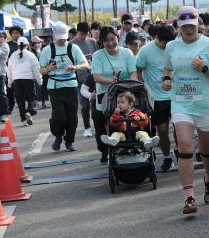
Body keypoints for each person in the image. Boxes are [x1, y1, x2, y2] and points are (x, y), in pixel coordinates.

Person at [162, 6, 209, 213]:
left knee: (206, 149)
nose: (188, 29)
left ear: (198, 24)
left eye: (191, 25)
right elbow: (168, 67)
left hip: (205, 103)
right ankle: (189, 197)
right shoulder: (172, 46)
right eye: (184, 26)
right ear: (179, 27)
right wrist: (166, 80)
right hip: (181, 102)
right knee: (185, 147)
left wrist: (205, 69)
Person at [38, 24, 89, 152]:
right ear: (54, 36)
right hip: (54, 87)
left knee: (72, 117)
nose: (62, 40)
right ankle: (58, 136)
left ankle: (69, 142)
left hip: (71, 85)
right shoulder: (47, 50)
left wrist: (75, 67)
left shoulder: (73, 47)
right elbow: (41, 70)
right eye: (59, 38)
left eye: (64, 38)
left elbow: (85, 64)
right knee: (59, 116)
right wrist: (49, 68)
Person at [91, 26, 138, 164]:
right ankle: (105, 150)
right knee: (102, 122)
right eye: (106, 40)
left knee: (128, 119)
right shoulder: (97, 55)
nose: (110, 43)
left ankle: (130, 144)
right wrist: (111, 81)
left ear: (118, 38)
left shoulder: (127, 53)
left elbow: (133, 72)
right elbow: (96, 77)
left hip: (125, 94)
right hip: (105, 94)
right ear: (102, 42)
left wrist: (133, 85)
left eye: (112, 39)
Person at [136, 24, 177, 172]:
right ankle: (167, 157)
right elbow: (138, 69)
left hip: (175, 96)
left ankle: (180, 151)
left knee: (179, 128)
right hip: (157, 98)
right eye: (165, 42)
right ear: (157, 38)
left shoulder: (175, 47)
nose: (167, 46)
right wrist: (143, 87)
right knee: (162, 130)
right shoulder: (145, 51)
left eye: (170, 43)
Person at [6, 36, 41, 126]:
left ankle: (24, 119)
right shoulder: (31, 55)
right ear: (27, 45)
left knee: (20, 100)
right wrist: (40, 80)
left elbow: (9, 69)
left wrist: (9, 81)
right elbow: (36, 69)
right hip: (28, 79)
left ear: (17, 45)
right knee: (31, 99)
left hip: (16, 80)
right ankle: (29, 112)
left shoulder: (13, 55)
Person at [72, 22, 98, 138]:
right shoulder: (72, 44)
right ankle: (87, 127)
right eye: (81, 34)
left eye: (86, 34)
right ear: (77, 32)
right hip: (80, 78)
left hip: (93, 76)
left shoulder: (92, 42)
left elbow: (97, 57)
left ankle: (96, 125)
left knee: (95, 103)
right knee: (84, 105)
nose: (84, 37)